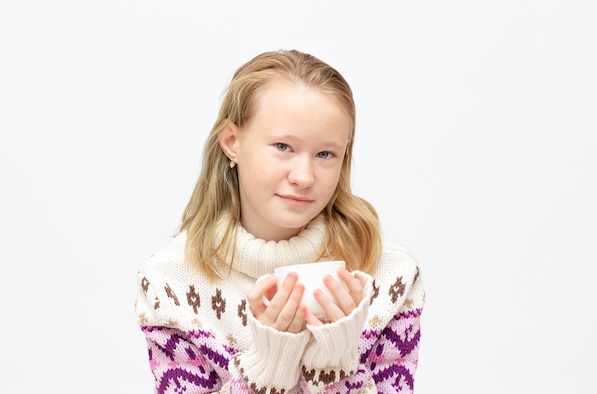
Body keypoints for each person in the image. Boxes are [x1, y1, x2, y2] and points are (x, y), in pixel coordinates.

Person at [134, 49, 425, 393]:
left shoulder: (391, 275)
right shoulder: (170, 284)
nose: (304, 176)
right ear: (231, 142)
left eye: (325, 154)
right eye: (283, 146)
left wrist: (334, 365)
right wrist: (266, 369)